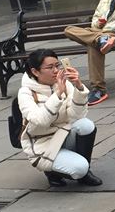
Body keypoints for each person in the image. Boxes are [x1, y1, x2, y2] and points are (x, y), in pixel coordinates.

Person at [18, 48, 102, 188]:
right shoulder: (25, 93)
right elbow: (41, 121)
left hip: (63, 134)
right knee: (79, 168)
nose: (56, 70)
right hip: (42, 143)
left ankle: (85, 173)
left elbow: (77, 116)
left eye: (57, 65)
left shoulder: (63, 83)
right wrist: (57, 95)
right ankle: (52, 172)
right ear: (35, 72)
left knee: (86, 125)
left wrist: (79, 87)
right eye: (50, 67)